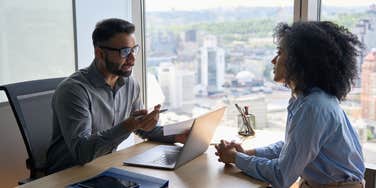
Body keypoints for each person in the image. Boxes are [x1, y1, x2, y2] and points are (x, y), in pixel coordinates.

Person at [215, 21, 365, 188]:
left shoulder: (313, 107)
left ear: (300, 60)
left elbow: (281, 176)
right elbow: (292, 147)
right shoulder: (306, 99)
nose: (273, 60)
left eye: (279, 53)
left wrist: (236, 158)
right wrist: (248, 154)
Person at [46, 18, 189, 174]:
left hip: (103, 167)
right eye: (125, 52)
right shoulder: (74, 91)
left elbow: (143, 128)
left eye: (134, 50)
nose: (132, 59)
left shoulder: (130, 84)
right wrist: (128, 126)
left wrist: (178, 136)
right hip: (67, 175)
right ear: (100, 53)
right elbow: (82, 153)